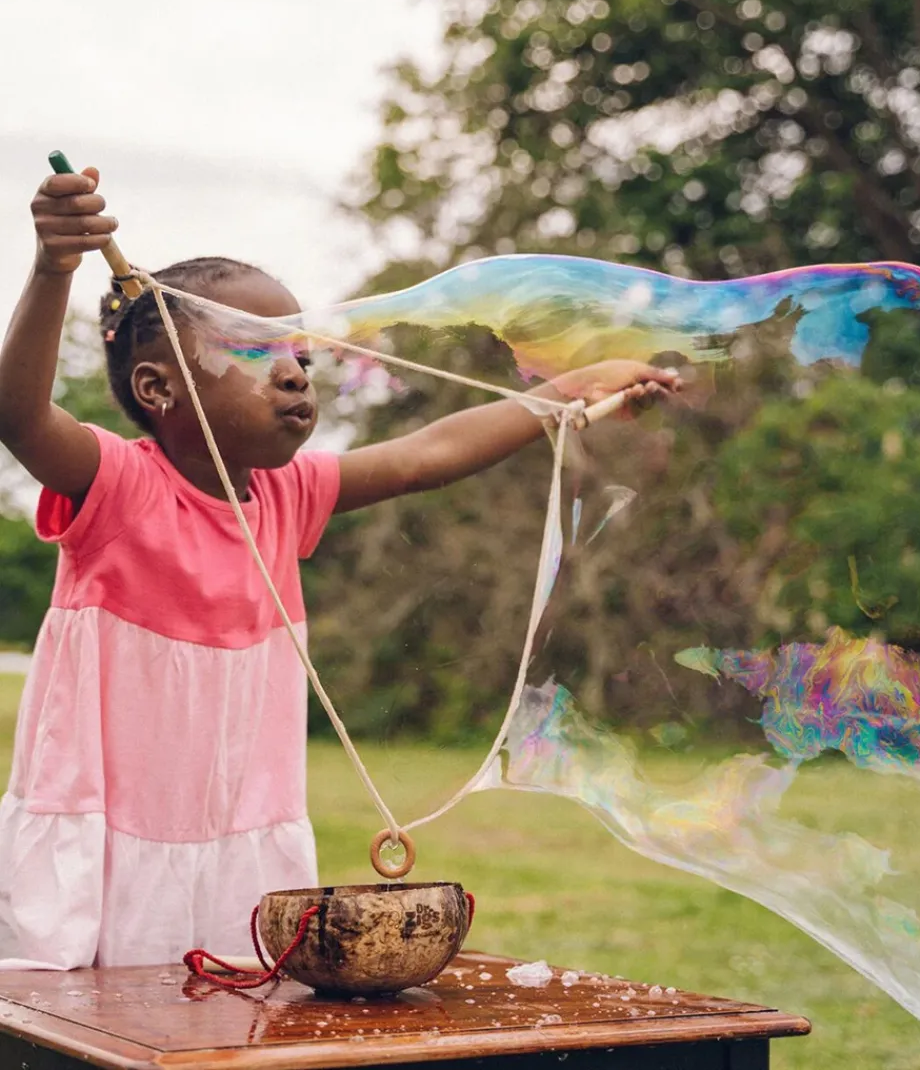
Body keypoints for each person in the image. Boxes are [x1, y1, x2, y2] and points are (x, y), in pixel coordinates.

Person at [0, 166, 681, 969]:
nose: (292, 372)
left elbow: (424, 456)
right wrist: (53, 270)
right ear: (158, 389)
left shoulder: (288, 495)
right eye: (254, 352)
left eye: (299, 357)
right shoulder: (119, 485)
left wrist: (569, 392)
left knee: (235, 1020)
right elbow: (18, 415)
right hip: (111, 838)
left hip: (242, 843)